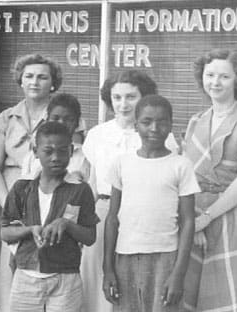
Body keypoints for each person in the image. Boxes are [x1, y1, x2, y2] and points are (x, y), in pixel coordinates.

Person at [80, 70, 179, 312]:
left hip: (142, 220)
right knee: (97, 283)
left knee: (135, 288)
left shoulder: (160, 135)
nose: (123, 104)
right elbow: (92, 184)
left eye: (131, 97)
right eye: (117, 97)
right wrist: (81, 222)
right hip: (103, 215)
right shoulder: (97, 135)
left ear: (144, 97)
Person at [182, 49, 237, 312]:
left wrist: (204, 220)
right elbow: (185, 176)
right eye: (210, 75)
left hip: (231, 217)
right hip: (195, 217)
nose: (215, 82)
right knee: (189, 293)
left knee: (227, 299)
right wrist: (192, 224)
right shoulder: (196, 120)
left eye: (224, 76)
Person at [103, 95, 199, 312]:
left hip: (166, 258)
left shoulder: (180, 165)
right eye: (147, 122)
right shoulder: (122, 163)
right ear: (136, 125)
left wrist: (178, 273)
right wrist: (107, 268)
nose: (154, 128)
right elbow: (112, 218)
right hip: (125, 256)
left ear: (171, 125)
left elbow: (188, 220)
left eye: (162, 121)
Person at [0, 53, 66, 311]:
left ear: (53, 83)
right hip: (11, 197)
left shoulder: (62, 116)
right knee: (13, 263)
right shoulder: (6, 118)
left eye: (43, 77)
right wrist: (10, 206)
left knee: (47, 265)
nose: (35, 82)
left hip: (50, 196)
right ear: (20, 80)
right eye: (29, 76)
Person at [1, 121, 98, 312]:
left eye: (62, 151)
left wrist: (67, 225)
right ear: (35, 151)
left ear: (71, 151)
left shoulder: (80, 190)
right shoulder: (22, 188)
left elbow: (90, 236)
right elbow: (5, 232)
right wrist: (29, 230)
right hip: (26, 276)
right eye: (48, 151)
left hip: (66, 279)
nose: (55, 158)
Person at [20, 92, 91, 183]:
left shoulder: (85, 157)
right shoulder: (33, 156)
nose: (61, 123)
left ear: (77, 123)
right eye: (55, 118)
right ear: (47, 119)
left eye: (68, 119)